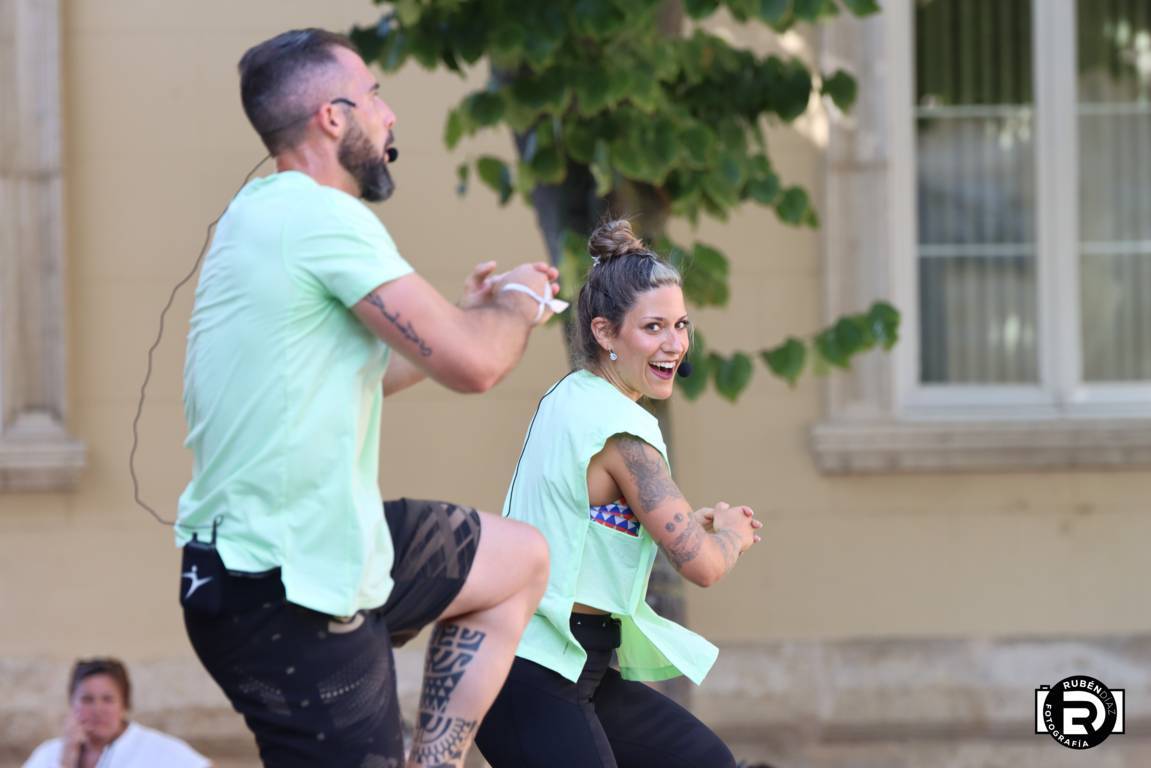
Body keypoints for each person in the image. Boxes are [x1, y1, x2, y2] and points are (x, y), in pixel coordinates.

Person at [176, 28, 556, 768]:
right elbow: (476, 366)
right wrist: (519, 302)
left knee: (516, 560)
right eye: (375, 95)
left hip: (320, 550)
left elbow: (374, 370)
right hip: (280, 591)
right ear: (332, 116)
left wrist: (457, 317)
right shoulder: (321, 218)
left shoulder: (263, 215)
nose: (389, 114)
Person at [475, 219, 764, 768]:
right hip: (536, 677)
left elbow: (585, 520)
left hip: (560, 666)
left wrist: (680, 524)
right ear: (605, 333)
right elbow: (703, 566)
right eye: (653, 327)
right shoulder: (623, 434)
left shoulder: (570, 396)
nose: (674, 344)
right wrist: (732, 534)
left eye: (681, 325)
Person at [23, 657, 211, 768]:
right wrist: (66, 760)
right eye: (87, 699)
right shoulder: (49, 754)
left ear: (124, 704)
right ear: (72, 703)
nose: (97, 710)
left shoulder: (158, 749)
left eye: (108, 699)